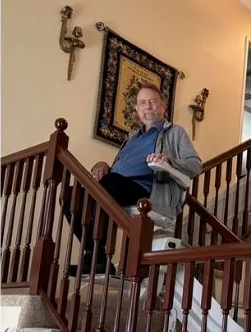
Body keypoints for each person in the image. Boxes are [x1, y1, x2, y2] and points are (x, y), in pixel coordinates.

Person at [65, 83, 201, 276]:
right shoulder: (131, 138)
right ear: (137, 110)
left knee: (109, 184)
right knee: (71, 197)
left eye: (152, 101)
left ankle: (98, 258)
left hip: (148, 192)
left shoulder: (175, 132)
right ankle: (95, 256)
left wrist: (168, 161)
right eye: (142, 103)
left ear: (162, 107)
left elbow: (195, 165)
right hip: (117, 185)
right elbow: (120, 169)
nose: (148, 106)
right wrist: (103, 164)